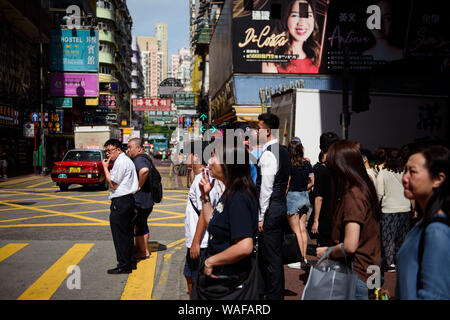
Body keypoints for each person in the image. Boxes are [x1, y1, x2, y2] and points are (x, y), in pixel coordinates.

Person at [316, 140, 381, 300]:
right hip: (372, 267)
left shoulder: (353, 194)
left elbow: (350, 245)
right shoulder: (365, 187)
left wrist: (327, 252)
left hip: (357, 272)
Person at [195, 139, 259, 298]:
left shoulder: (238, 197)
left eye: (214, 157)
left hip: (230, 283)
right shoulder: (230, 190)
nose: (209, 161)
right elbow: (214, 223)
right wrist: (205, 197)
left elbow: (245, 246)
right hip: (222, 279)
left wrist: (211, 261)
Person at [397, 145, 450, 300]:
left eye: (412, 172)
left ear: (438, 179)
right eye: (405, 170)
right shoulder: (424, 224)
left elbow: (434, 295)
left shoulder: (436, 232)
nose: (404, 178)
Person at [256, 113, 291, 300]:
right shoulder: (283, 151)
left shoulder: (269, 153)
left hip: (270, 209)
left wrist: (261, 216)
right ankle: (266, 292)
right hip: (279, 205)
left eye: (258, 128)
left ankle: (273, 296)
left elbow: (266, 189)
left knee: (271, 257)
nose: (256, 132)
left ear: (267, 130)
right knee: (271, 254)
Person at [102, 139, 139, 274]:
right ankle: (130, 262)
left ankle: (123, 265)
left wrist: (105, 168)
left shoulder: (121, 162)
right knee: (127, 234)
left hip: (121, 202)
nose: (107, 154)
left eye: (110, 151)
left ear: (118, 150)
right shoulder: (125, 160)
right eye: (106, 151)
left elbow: (113, 183)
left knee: (120, 236)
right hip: (127, 201)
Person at [376, 148, 412, 273]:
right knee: (402, 236)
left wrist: (377, 208)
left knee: (388, 237)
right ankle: (401, 260)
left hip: (389, 209)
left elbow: (379, 194)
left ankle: (390, 263)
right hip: (405, 207)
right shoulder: (406, 173)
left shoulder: (383, 173)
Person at [262, 0, 320, 74]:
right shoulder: (272, 59)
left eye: (308, 15)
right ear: (285, 19)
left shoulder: (316, 54)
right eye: (295, 15)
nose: (302, 22)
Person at [286, 137, 314, 270]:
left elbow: (287, 183)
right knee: (303, 230)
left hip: (292, 196)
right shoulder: (307, 164)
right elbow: (312, 181)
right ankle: (305, 258)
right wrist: (305, 188)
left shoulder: (289, 164)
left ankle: (299, 258)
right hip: (304, 196)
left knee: (296, 231)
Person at [311, 132, 340, 247]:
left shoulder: (321, 170)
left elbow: (319, 197)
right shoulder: (341, 167)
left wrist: (315, 220)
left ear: (321, 148)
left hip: (325, 216)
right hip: (339, 214)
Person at [127, 138, 154, 260]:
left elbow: (144, 171)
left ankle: (143, 251)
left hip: (141, 200)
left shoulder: (139, 159)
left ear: (138, 148)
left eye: (129, 147)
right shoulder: (144, 158)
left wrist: (138, 186)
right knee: (141, 224)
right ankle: (141, 249)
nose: (128, 150)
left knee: (139, 225)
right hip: (147, 199)